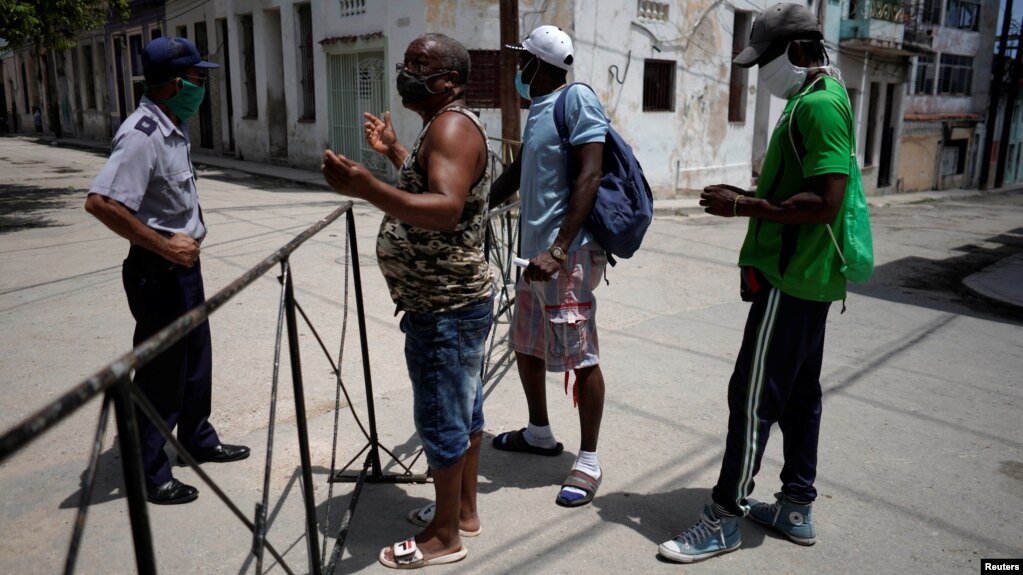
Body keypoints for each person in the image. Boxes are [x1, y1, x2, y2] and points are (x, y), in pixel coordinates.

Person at [657, 3, 854, 563]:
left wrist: (742, 204)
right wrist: (753, 194)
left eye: (763, 60)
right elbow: (808, 185)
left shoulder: (817, 107)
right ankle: (796, 505)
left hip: (792, 281)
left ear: (793, 51)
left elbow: (823, 202)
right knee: (797, 396)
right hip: (808, 279)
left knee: (752, 396)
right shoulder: (819, 100)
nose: (760, 74)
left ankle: (723, 516)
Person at [321, 33, 492, 570]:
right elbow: (436, 183)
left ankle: (445, 538)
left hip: (445, 305)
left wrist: (368, 186)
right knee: (463, 411)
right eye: (407, 61)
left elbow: (444, 208)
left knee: (443, 419)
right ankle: (461, 510)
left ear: (450, 82)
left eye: (421, 64)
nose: (406, 71)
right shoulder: (440, 127)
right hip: (450, 301)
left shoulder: (453, 126)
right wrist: (396, 152)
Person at [85, 36, 250, 506]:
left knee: (195, 359)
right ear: (175, 83)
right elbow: (101, 203)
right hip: (157, 270)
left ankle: (197, 437)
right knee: (161, 373)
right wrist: (163, 245)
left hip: (182, 267)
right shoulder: (141, 135)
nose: (203, 87)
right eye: (198, 78)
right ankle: (150, 469)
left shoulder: (172, 125)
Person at [488, 25, 609, 508]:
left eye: (524, 62)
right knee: (528, 344)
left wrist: (559, 249)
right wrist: (476, 206)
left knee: (581, 356)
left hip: (567, 255)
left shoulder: (575, 99)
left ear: (538, 66)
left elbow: (591, 172)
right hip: (532, 255)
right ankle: (539, 432)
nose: (518, 69)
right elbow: (518, 173)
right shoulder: (538, 110)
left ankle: (589, 460)